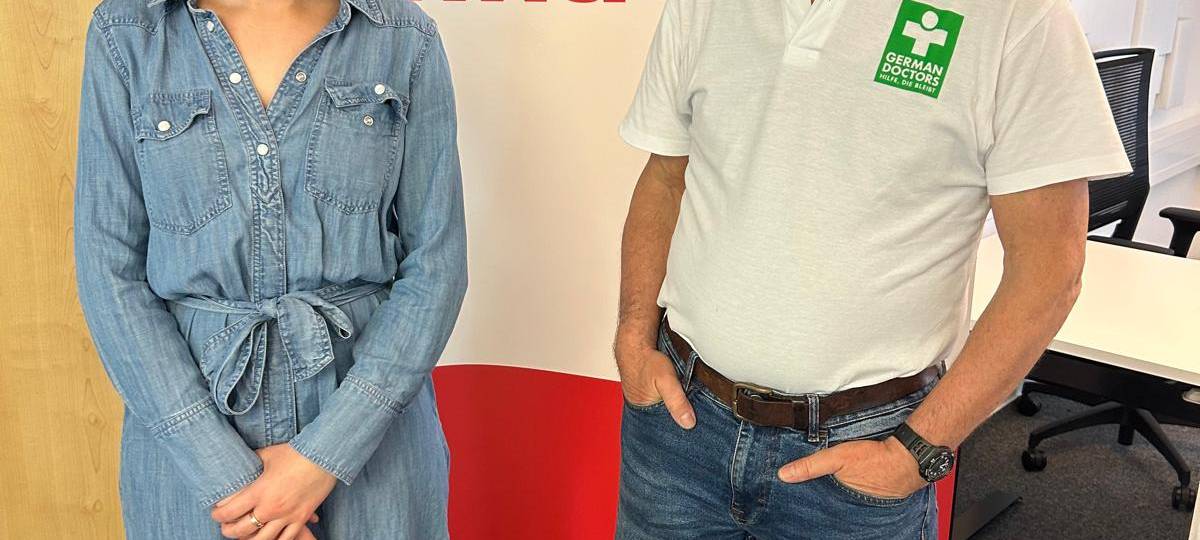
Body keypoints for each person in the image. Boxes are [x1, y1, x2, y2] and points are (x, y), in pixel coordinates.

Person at [613, 0, 1131, 538]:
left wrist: (916, 453)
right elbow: (665, 177)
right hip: (679, 428)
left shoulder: (1018, 17)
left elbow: (1049, 272)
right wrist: (632, 337)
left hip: (864, 454)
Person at [72, 0, 465, 538]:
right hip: (192, 456)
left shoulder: (403, 36)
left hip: (371, 445)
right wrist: (233, 486)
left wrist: (323, 457)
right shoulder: (128, 33)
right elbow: (110, 272)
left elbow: (437, 266)